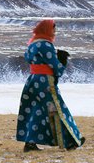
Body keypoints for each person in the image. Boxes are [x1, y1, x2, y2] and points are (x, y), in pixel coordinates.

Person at [16, 19, 85, 152]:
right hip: (45, 82)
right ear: (47, 30)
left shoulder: (32, 44)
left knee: (35, 111)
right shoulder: (46, 45)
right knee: (57, 109)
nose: (55, 31)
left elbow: (28, 58)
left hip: (32, 80)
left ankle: (30, 143)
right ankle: (71, 140)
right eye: (53, 29)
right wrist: (62, 60)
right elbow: (56, 67)